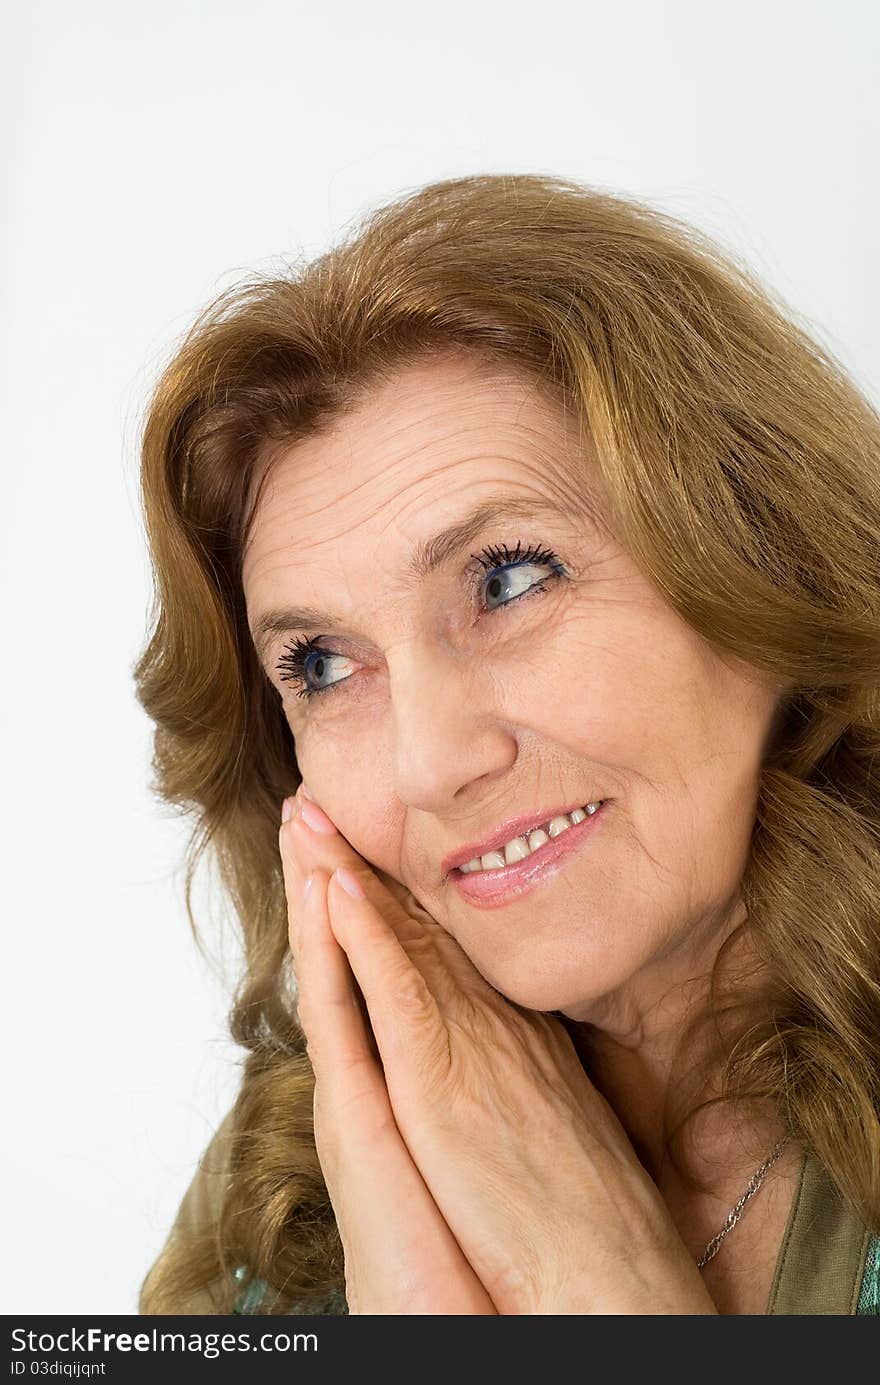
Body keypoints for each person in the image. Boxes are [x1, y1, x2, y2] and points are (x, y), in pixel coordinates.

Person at [135, 173, 880, 1315]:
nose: (430, 762)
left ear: (767, 563)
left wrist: (603, 1293)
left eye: (511, 578)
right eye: (323, 666)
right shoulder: (293, 1164)